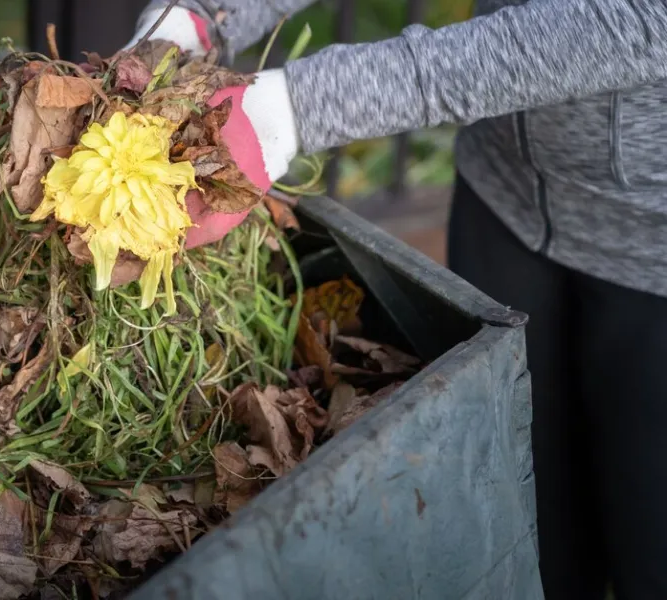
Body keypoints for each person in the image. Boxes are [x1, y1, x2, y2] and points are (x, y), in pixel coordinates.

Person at [123, 1, 667, 599]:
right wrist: (199, 16)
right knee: (525, 515)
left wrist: (297, 107)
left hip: (653, 257)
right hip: (503, 202)